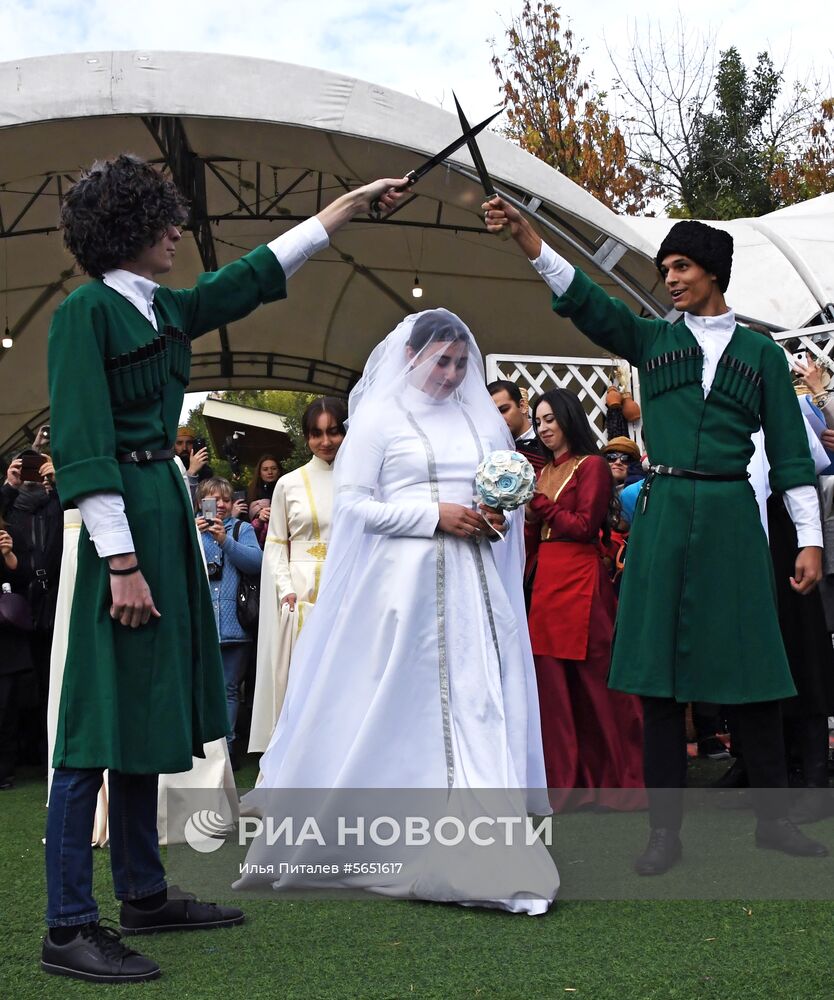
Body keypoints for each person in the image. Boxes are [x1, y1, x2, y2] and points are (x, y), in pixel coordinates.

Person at [43, 151, 407, 983]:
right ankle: (67, 924)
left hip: (159, 512)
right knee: (96, 723)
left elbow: (254, 274)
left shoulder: (162, 307)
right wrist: (123, 563)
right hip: (125, 528)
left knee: (139, 715)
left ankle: (140, 893)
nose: (178, 230)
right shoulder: (84, 314)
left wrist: (345, 205)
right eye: (162, 219)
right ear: (126, 228)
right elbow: (83, 448)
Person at [484, 198, 828, 872]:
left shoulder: (760, 353)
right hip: (664, 511)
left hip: (732, 515)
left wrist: (810, 539)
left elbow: (791, 454)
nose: (669, 277)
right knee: (658, 683)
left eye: (682, 266)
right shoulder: (651, 340)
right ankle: (664, 832)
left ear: (712, 272)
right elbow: (588, 304)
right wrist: (529, 240)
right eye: (665, 266)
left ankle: (774, 820)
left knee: (758, 675)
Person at [241, 309, 558, 913]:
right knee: (401, 702)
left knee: (478, 700)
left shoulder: (479, 419)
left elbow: (502, 495)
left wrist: (495, 516)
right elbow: (356, 507)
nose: (452, 372)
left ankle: (484, 838)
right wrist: (429, 515)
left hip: (473, 584)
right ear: (412, 356)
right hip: (401, 590)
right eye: (442, 360)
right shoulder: (380, 420)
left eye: (462, 362)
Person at [525, 388, 644, 805]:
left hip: (580, 578)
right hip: (545, 582)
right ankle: (567, 784)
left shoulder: (591, 465)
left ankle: (621, 777)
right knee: (553, 686)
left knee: (598, 679)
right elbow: (536, 533)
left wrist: (536, 503)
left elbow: (581, 525)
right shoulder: (542, 471)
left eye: (550, 419)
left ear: (568, 418)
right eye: (538, 421)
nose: (544, 428)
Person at [248, 398, 346, 753]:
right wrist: (286, 590)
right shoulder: (288, 484)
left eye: (333, 432)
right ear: (306, 437)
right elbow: (275, 544)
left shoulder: (362, 481)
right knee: (298, 685)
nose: (326, 442)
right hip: (300, 597)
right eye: (317, 434)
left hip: (348, 590)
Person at [197, 478, 262, 758]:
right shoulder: (189, 529)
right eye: (213, 500)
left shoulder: (242, 528)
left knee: (230, 689)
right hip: (200, 625)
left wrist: (225, 541)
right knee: (198, 687)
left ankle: (227, 749)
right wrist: (192, 534)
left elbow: (257, 563)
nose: (220, 505)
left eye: (224, 500)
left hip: (236, 625)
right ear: (201, 504)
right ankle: (200, 749)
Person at [0, 520, 34, 790]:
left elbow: (23, 581)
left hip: (7, 644)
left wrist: (9, 555)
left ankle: (5, 772)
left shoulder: (9, 538)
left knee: (6, 710)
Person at [488, 379, 548, 472]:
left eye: (504, 410)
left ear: (522, 406)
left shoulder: (547, 440)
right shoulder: (490, 449)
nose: (499, 419)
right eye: (493, 414)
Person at [247, 454, 282, 549]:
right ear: (259, 472)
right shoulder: (252, 492)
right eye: (265, 469)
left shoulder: (286, 489)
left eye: (273, 468)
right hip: (261, 542)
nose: (270, 472)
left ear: (279, 471)